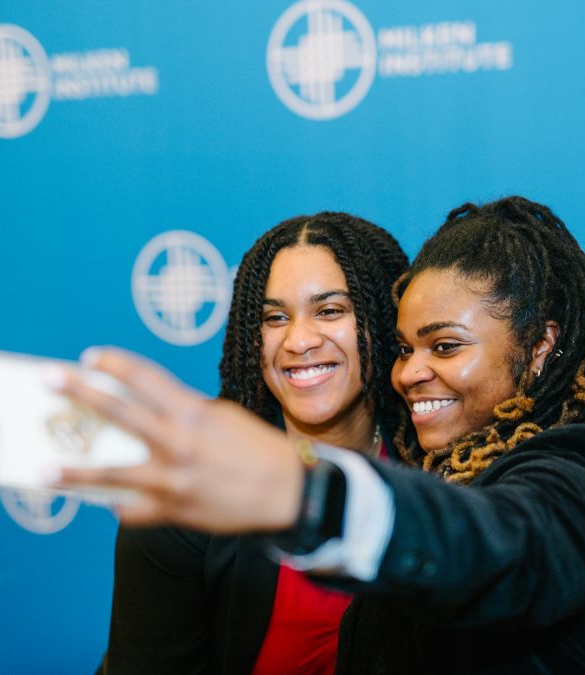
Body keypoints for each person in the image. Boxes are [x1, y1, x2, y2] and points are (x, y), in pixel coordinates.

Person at [59, 195, 585, 674]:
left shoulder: (581, 471)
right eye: (406, 347)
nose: (413, 370)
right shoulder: (438, 461)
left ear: (539, 347)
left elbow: (510, 549)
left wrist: (302, 492)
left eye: (445, 346)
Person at [97, 212, 411, 674]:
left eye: (329, 310)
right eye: (275, 317)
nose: (299, 340)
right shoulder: (187, 494)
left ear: (384, 322)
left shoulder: (437, 465)